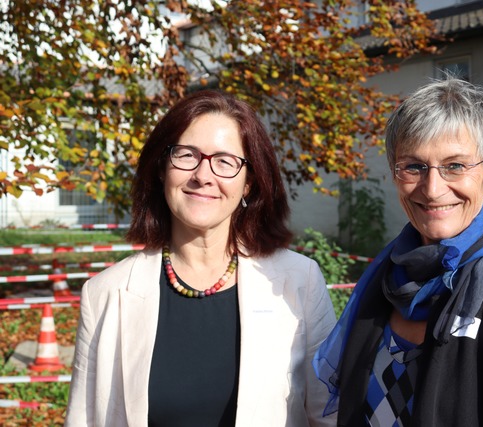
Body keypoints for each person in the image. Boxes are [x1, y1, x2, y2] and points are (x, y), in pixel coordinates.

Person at [314, 77, 483, 426]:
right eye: (414, 166)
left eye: (455, 165)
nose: (433, 188)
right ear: (396, 175)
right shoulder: (382, 279)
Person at [65, 90, 337, 426]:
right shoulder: (106, 293)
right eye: (186, 155)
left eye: (225, 161)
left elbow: (329, 416)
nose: (203, 175)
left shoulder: (300, 282)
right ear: (162, 169)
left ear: (249, 183)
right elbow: (84, 419)